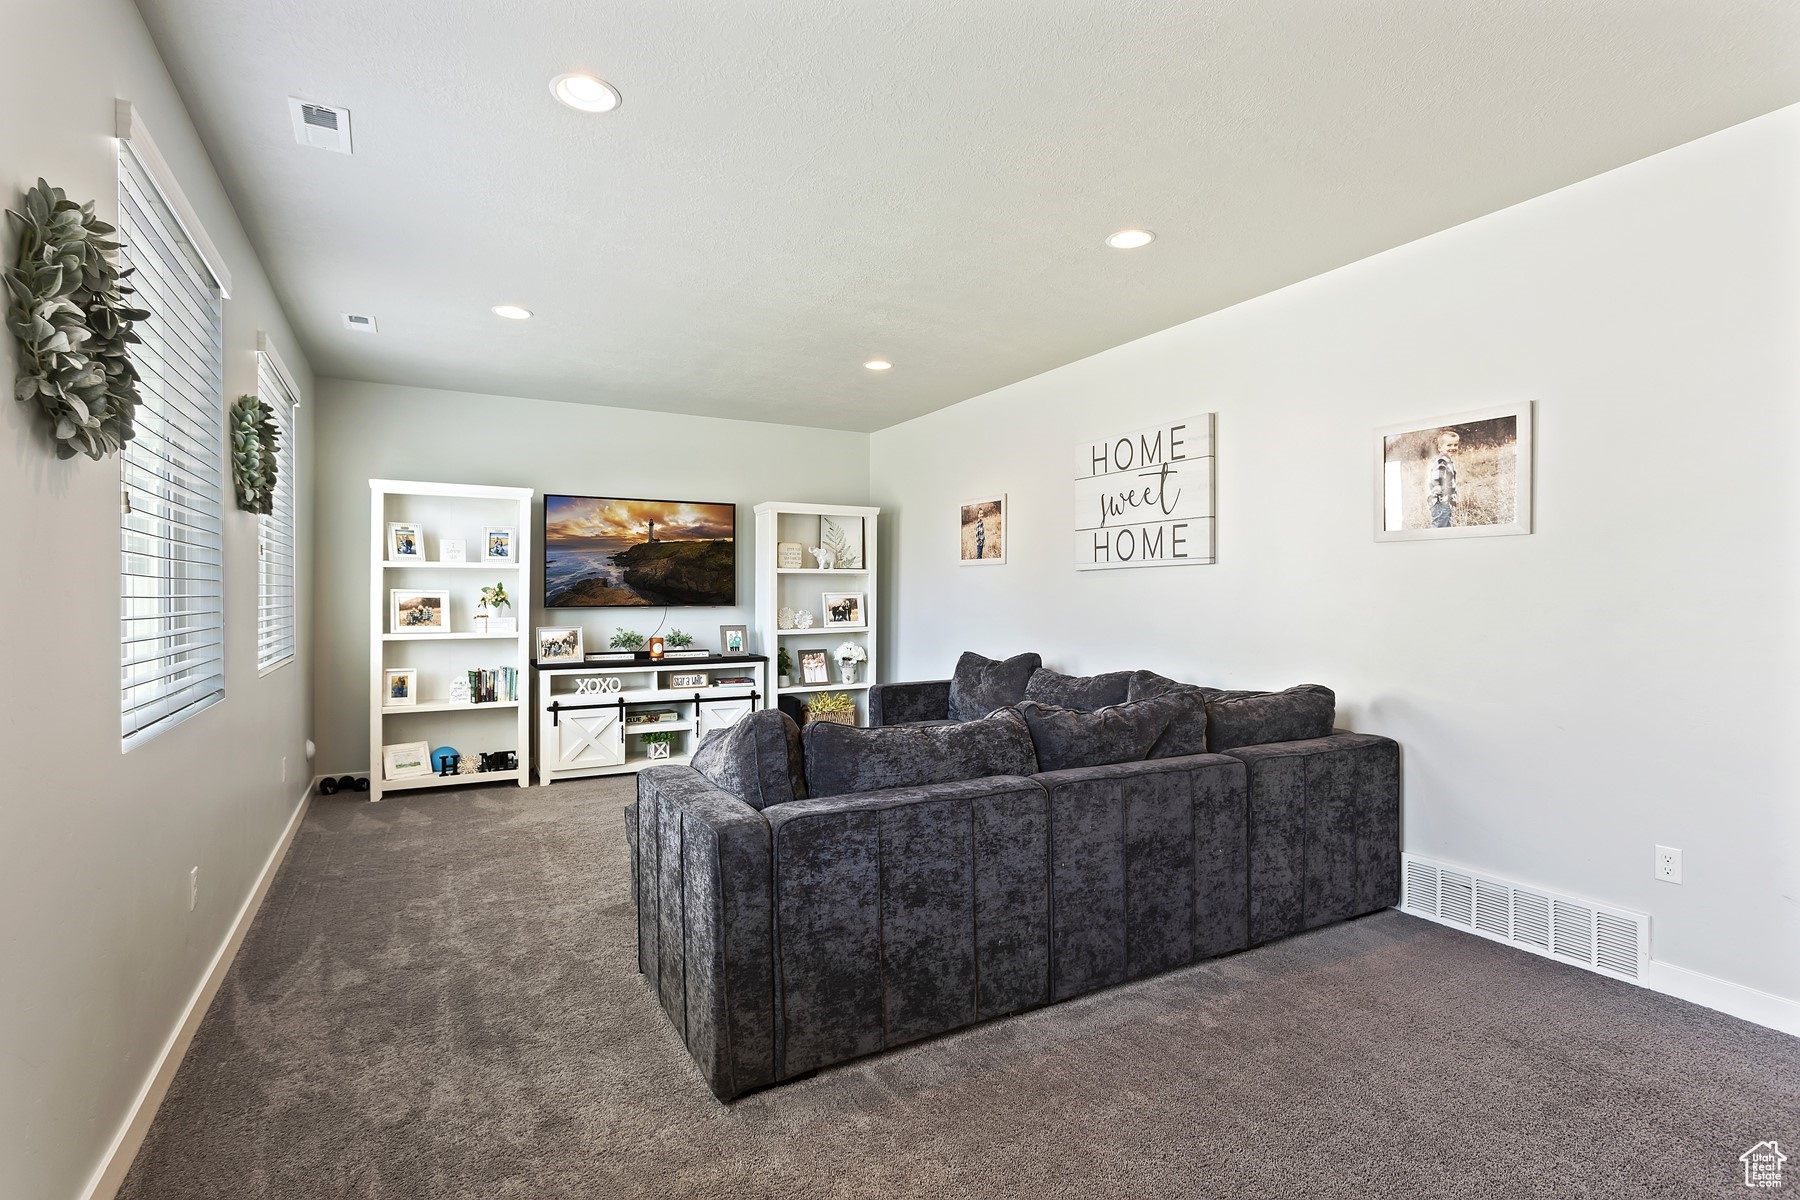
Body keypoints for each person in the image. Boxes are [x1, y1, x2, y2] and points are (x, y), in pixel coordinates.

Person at [1428, 430, 1459, 528]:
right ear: (1440, 448)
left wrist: (1452, 499)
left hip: (1445, 503)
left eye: (1455, 445)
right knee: (1439, 529)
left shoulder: (1448, 461)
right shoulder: (1441, 462)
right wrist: (1443, 499)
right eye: (1449, 445)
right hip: (1441, 503)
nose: (1453, 448)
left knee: (1446, 527)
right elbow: (1438, 481)